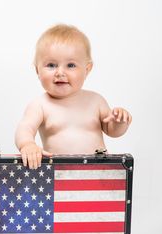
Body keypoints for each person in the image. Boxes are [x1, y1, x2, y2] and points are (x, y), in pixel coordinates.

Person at [15, 24, 132, 169]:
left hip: (97, 172)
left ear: (87, 69)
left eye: (70, 65)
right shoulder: (40, 105)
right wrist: (28, 144)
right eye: (51, 65)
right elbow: (25, 128)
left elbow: (113, 131)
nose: (60, 72)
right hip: (59, 175)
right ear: (37, 70)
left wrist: (119, 122)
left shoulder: (96, 101)